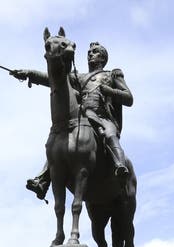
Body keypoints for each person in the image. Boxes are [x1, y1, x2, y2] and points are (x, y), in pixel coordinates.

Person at [11, 40, 133, 200]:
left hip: (102, 117)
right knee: (59, 139)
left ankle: (120, 166)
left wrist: (109, 90)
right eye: (89, 52)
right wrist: (29, 73)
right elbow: (54, 78)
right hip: (83, 116)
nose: (90, 54)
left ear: (102, 58)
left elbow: (128, 98)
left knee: (109, 135)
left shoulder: (112, 74)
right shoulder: (79, 77)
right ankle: (43, 180)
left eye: (95, 52)